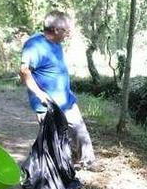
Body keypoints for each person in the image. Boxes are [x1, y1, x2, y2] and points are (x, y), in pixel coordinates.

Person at [19, 10, 97, 170]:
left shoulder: (56, 42)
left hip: (66, 100)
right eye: (66, 31)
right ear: (55, 30)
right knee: (54, 139)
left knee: (79, 130)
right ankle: (57, 171)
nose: (68, 34)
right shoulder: (34, 45)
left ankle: (86, 162)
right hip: (47, 104)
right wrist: (40, 94)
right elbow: (23, 72)